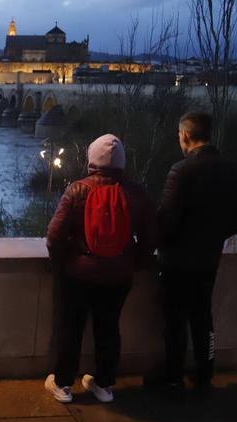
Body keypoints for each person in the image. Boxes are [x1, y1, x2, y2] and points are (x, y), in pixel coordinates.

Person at [44, 134, 155, 403]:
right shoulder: (136, 194)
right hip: (118, 276)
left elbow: (54, 236)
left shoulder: (78, 190)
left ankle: (63, 385)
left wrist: (61, 264)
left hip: (79, 273)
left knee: (71, 328)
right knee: (108, 328)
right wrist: (132, 264)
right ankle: (104, 385)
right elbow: (150, 239)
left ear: (92, 159)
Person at [154, 111, 237, 393]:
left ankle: (173, 376)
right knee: (203, 318)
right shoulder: (232, 170)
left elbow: (166, 222)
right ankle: (205, 374)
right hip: (208, 259)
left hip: (177, 262)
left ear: (184, 135)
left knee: (175, 321)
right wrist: (211, 237)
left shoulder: (181, 171)